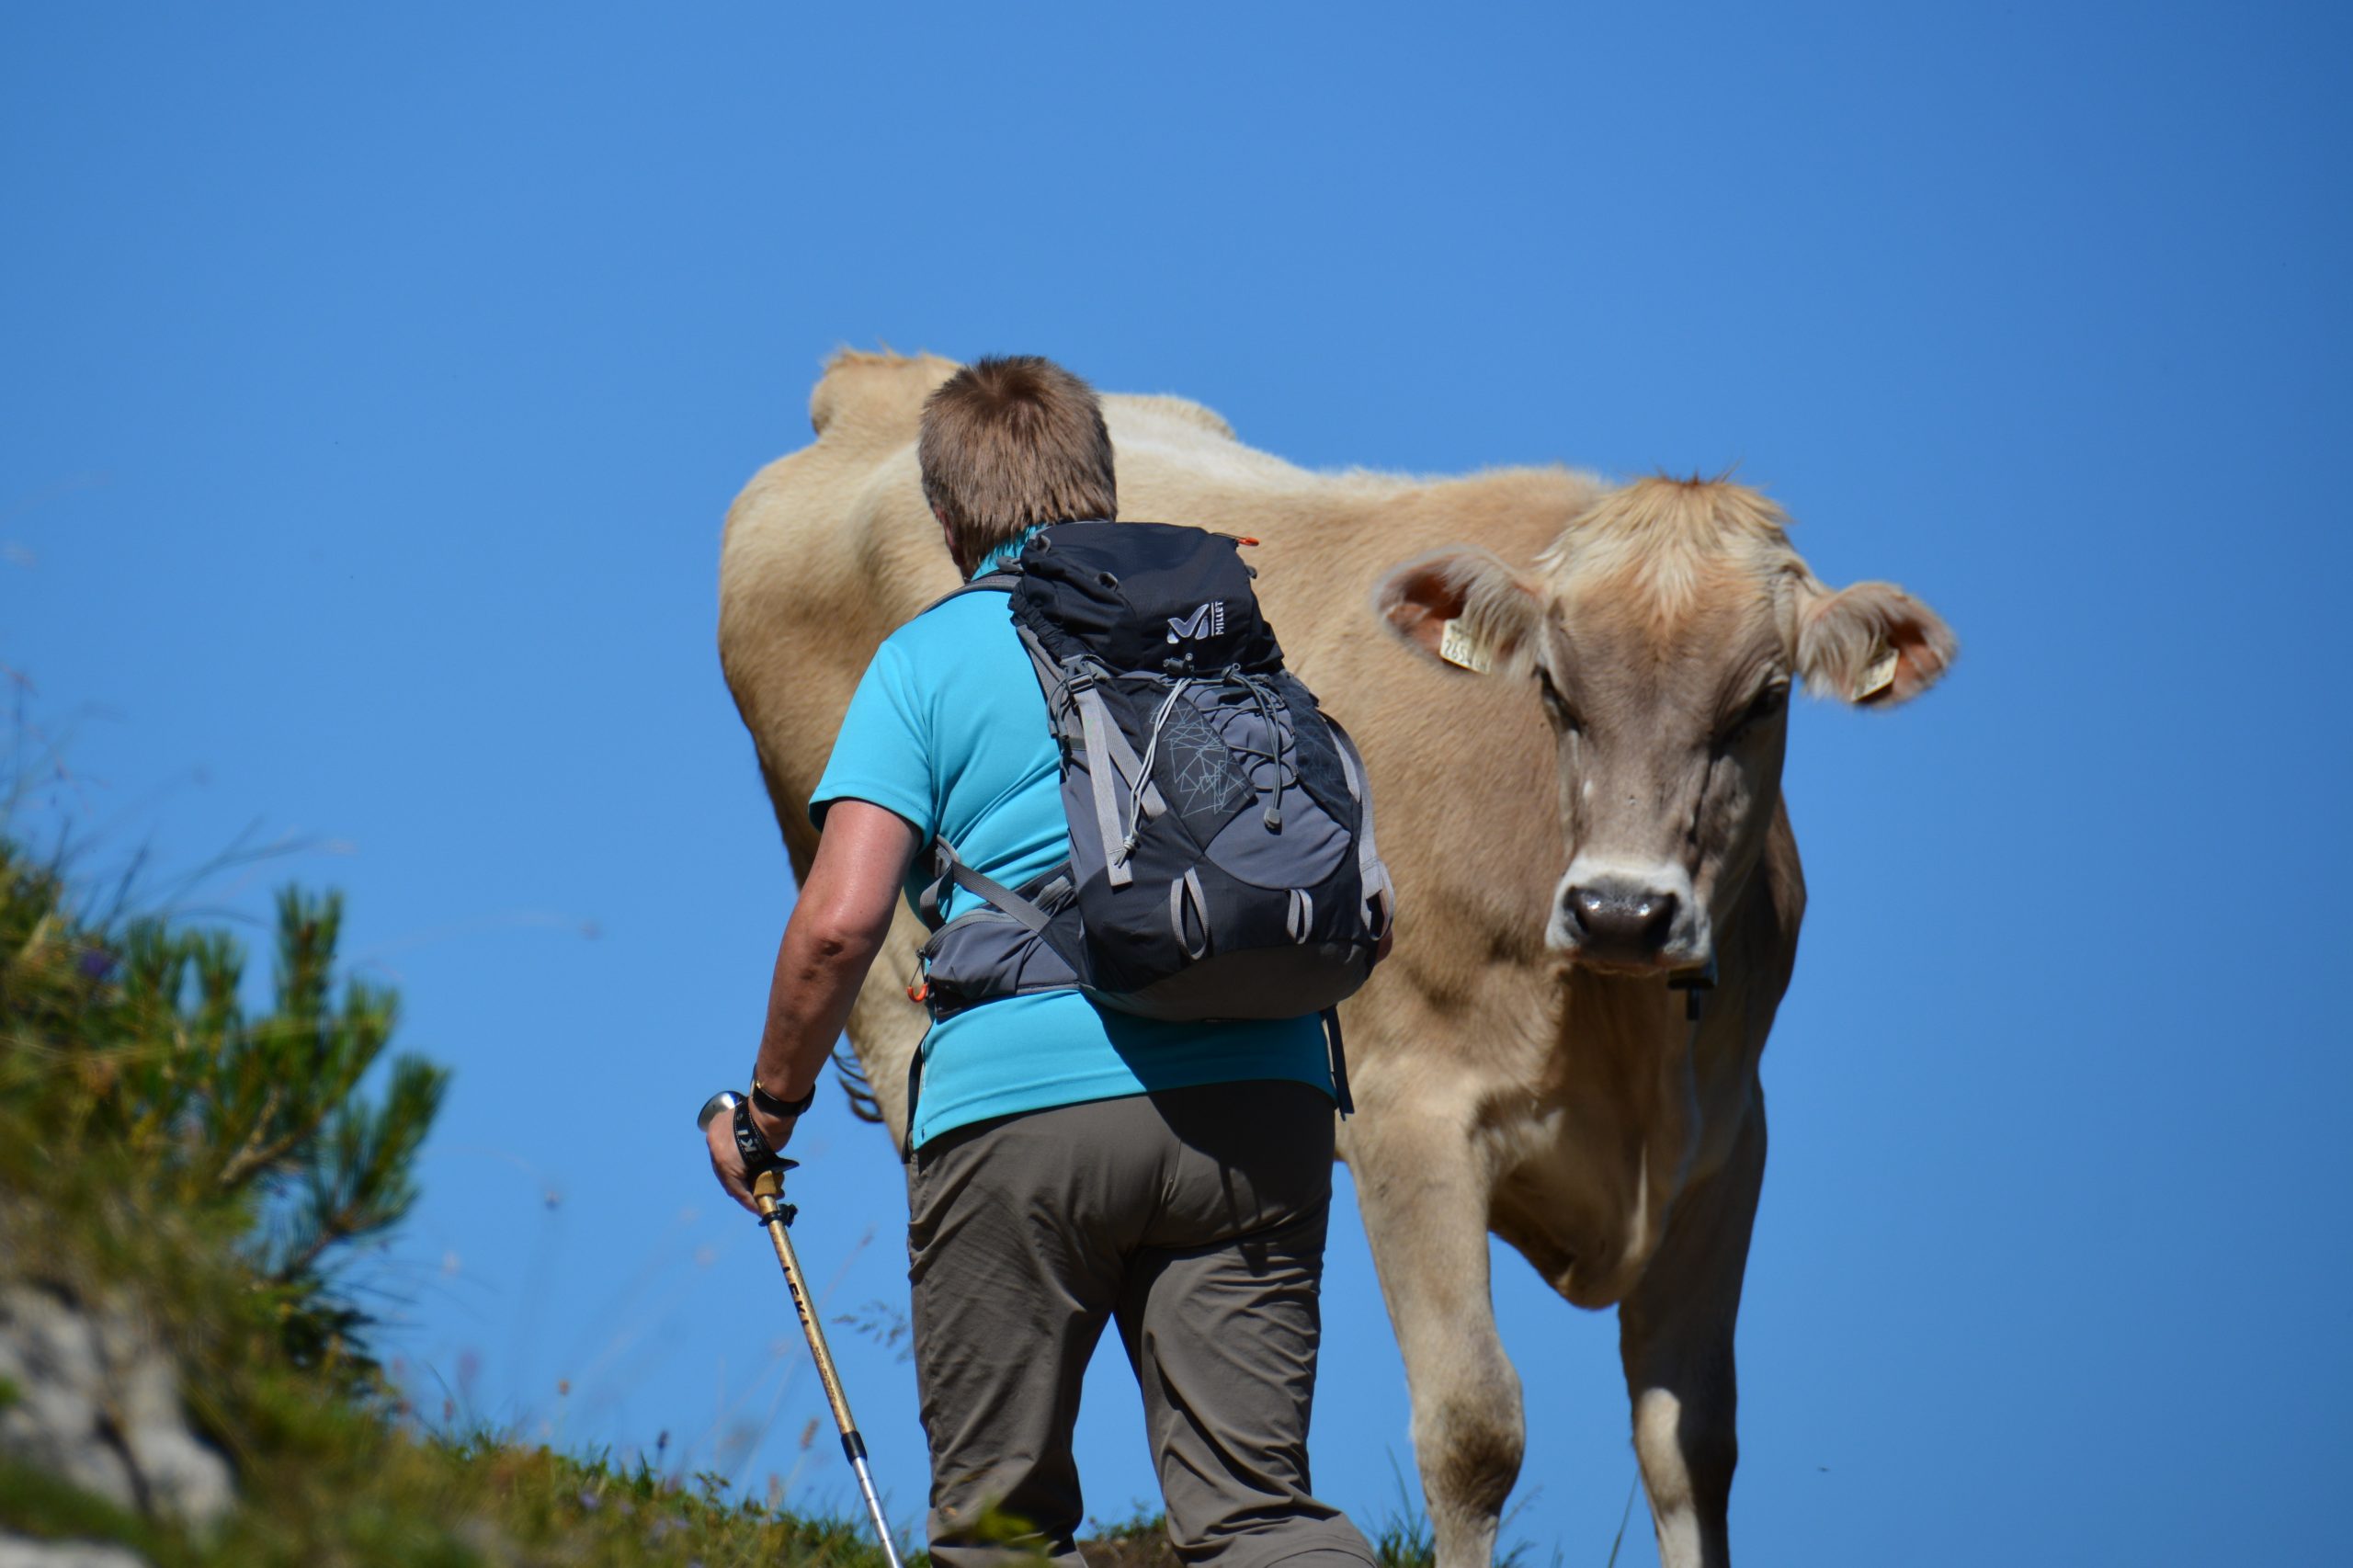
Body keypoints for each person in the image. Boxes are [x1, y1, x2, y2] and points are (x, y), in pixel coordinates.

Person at [704, 355, 1376, 1568]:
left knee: (1001, 1529)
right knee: (1261, 1512)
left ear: (944, 515)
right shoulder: (1235, 637)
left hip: (1020, 1111)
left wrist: (770, 1106)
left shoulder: (929, 657)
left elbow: (840, 920)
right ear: (1106, 483)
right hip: (1259, 1097)